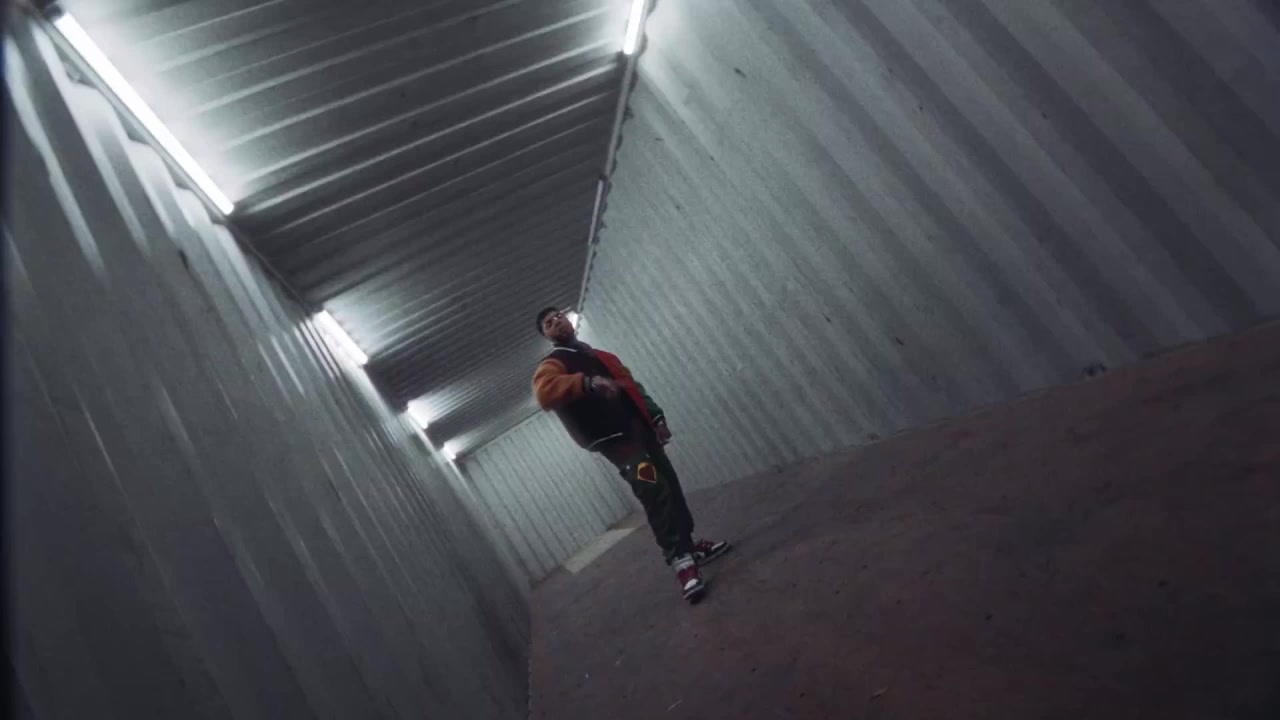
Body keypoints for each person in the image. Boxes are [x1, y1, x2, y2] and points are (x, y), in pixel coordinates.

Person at [531, 307, 730, 603]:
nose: (557, 321)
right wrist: (587, 383)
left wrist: (656, 418)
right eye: (549, 323)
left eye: (559, 316)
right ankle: (681, 562)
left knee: (670, 485)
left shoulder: (601, 356)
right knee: (652, 488)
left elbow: (633, 387)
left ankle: (689, 546)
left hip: (642, 433)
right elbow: (544, 392)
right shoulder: (553, 363)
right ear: (547, 335)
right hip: (618, 444)